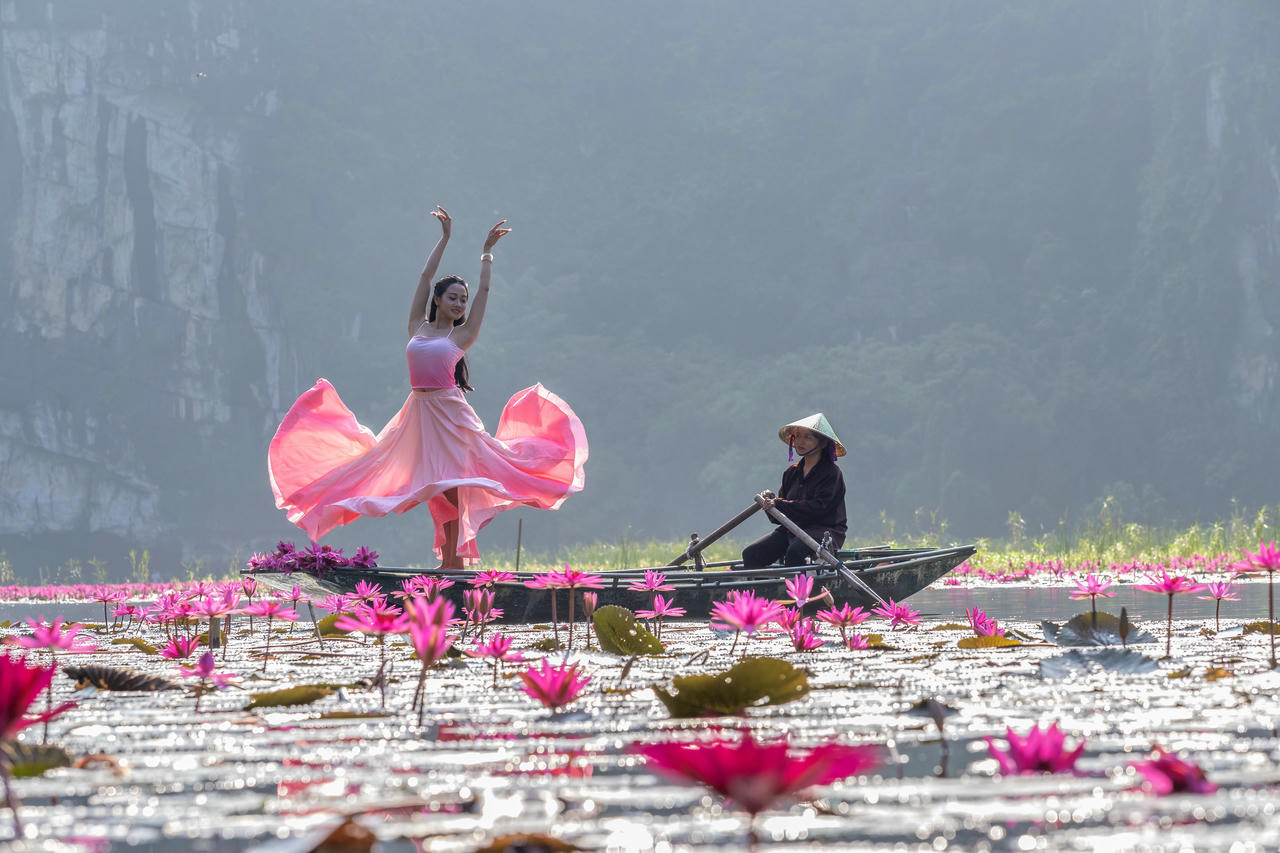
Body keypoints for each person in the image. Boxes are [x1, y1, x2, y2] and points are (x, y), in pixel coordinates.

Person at [268, 206, 588, 569]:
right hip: (418, 415)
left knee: (451, 484)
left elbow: (484, 290)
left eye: (462, 300)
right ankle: (451, 560)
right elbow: (424, 275)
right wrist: (445, 239)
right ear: (437, 299)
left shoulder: (461, 336)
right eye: (453, 297)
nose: (459, 304)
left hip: (450, 416)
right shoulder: (416, 327)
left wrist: (486, 254)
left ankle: (454, 563)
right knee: (418, 480)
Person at [741, 413, 847, 569]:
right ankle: (762, 593)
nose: (800, 442)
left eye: (807, 437)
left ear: (822, 443)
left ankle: (796, 592)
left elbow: (818, 509)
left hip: (823, 532)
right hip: (792, 530)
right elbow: (779, 518)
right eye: (797, 436)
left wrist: (778, 503)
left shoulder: (831, 473)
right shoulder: (791, 472)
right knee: (751, 554)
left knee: (795, 553)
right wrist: (769, 502)